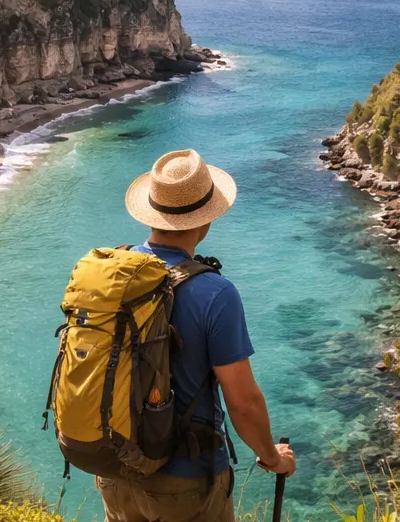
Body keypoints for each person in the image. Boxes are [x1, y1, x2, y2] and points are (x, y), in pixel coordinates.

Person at [97, 148, 296, 522]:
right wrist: (273, 458)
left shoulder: (115, 276)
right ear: (207, 220)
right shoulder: (216, 294)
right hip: (185, 484)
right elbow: (243, 403)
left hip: (115, 471)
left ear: (152, 214)